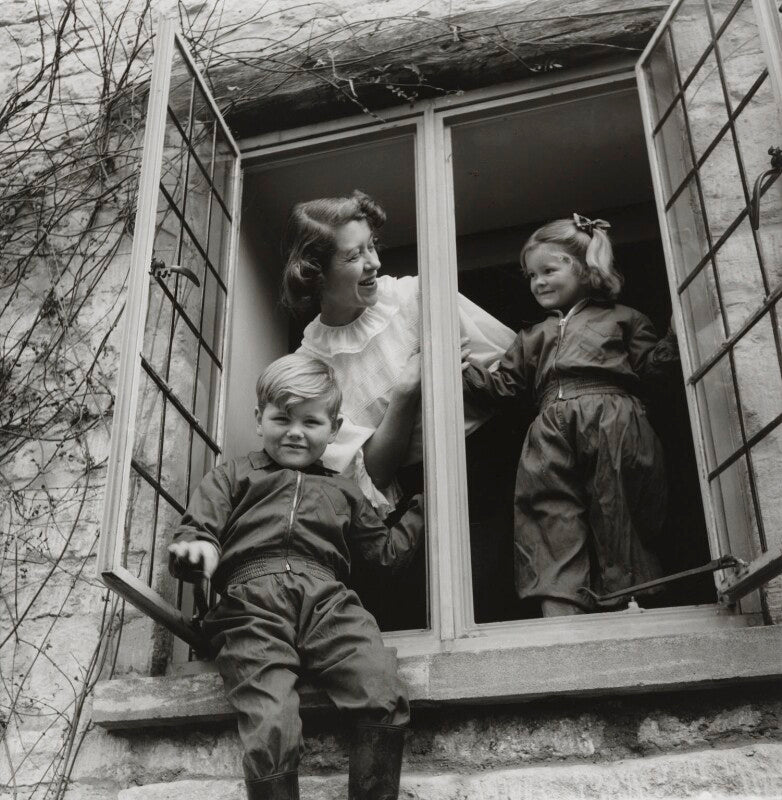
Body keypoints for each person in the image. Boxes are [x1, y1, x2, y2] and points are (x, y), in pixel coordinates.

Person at [167, 353, 424, 800]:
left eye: (311, 422)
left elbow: (383, 555)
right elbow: (198, 528)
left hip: (328, 603)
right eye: (281, 418)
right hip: (250, 608)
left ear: (335, 427)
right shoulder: (233, 475)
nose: (295, 432)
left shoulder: (344, 489)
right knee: (271, 722)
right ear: (259, 418)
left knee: (382, 687)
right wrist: (197, 549)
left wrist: (425, 510)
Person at [282, 190, 516, 626]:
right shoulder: (311, 365)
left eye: (372, 246)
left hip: (491, 463)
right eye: (354, 256)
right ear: (316, 273)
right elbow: (374, 473)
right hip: (416, 499)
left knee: (511, 594)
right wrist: (408, 390)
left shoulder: (415, 296)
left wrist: (459, 380)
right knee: (452, 612)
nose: (373, 262)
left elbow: (508, 372)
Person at [462, 214, 679, 617]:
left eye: (549, 269)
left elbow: (653, 370)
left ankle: (632, 604)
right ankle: (560, 613)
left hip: (613, 418)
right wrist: (458, 369)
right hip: (549, 429)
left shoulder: (623, 318)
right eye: (531, 275)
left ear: (583, 267)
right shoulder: (534, 335)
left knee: (618, 509)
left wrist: (678, 331)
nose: (538, 281)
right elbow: (503, 387)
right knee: (548, 514)